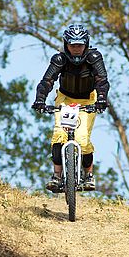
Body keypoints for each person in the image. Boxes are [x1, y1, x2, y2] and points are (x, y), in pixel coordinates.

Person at [31, 23, 109, 192]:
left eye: (79, 45)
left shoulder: (94, 57)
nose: (76, 49)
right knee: (59, 135)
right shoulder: (59, 59)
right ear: (66, 44)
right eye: (72, 45)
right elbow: (47, 81)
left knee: (82, 139)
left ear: (86, 44)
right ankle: (57, 176)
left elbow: (102, 80)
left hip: (88, 100)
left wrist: (102, 99)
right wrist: (40, 99)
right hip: (65, 99)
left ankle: (88, 176)